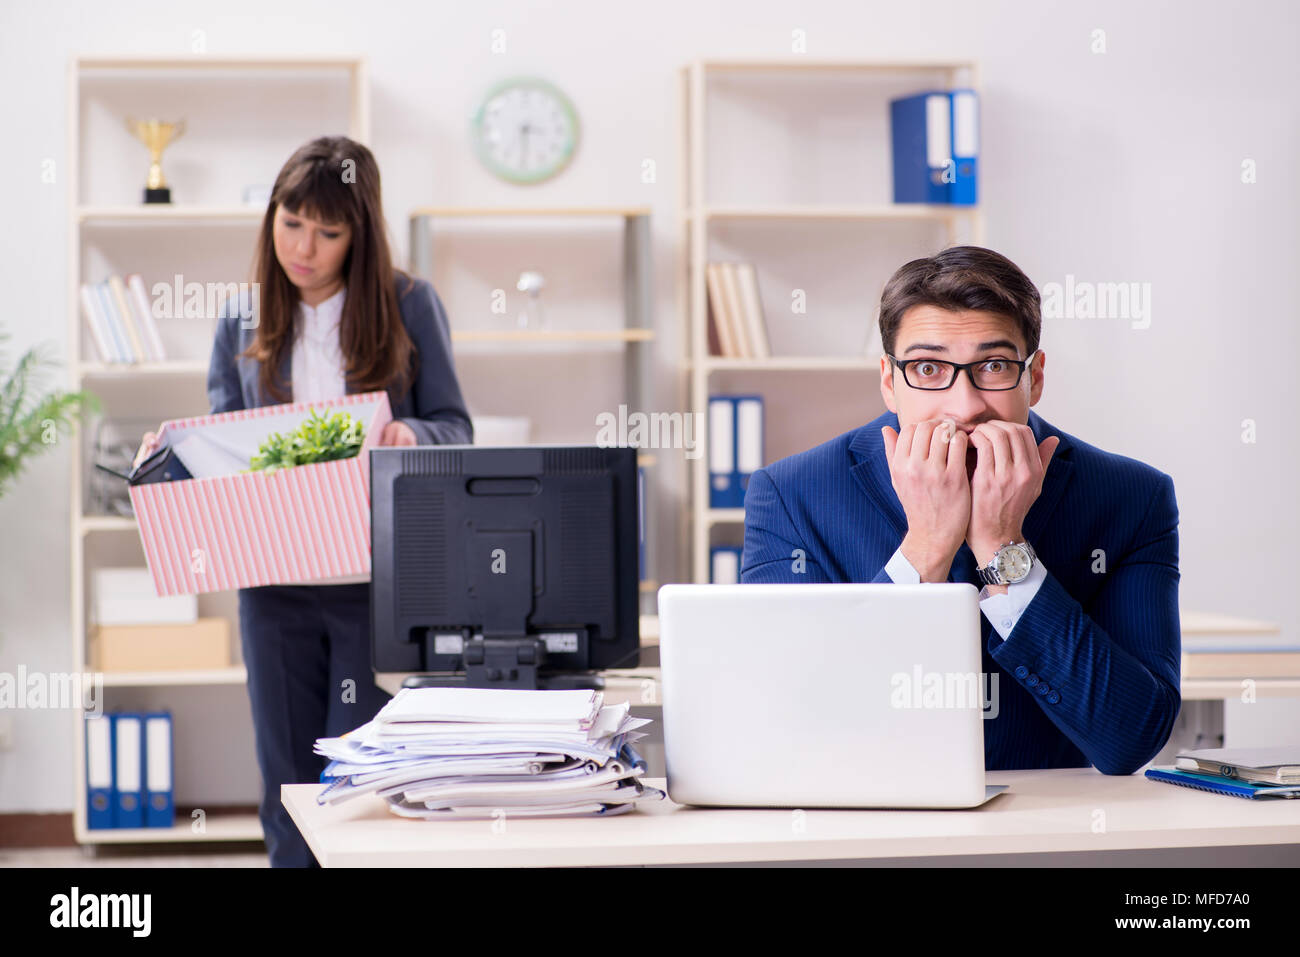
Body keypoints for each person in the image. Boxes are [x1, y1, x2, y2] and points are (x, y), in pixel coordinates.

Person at [134, 136, 473, 866]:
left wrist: (410, 433)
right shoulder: (240, 319)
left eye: (328, 231)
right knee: (286, 780)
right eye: (291, 223)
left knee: (361, 784)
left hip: (374, 588)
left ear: (361, 234)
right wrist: (172, 455)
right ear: (272, 219)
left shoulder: (410, 305)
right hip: (273, 587)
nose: (305, 248)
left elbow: (456, 427)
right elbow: (221, 452)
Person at [740, 245, 1180, 776]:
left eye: (993, 366)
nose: (965, 405)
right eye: (928, 368)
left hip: (1050, 830)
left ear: (1034, 377)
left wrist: (1002, 548)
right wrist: (925, 546)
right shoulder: (791, 494)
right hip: (862, 822)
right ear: (888, 380)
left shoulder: (1130, 497)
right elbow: (789, 720)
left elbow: (1130, 739)